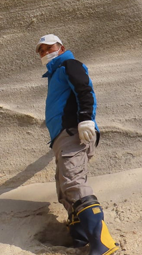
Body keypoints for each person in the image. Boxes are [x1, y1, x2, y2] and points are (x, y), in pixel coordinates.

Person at [36, 34, 120, 255]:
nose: (45, 52)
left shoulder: (68, 64)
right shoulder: (54, 74)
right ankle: (80, 237)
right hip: (63, 139)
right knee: (64, 189)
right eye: (41, 50)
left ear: (61, 47)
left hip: (74, 132)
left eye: (49, 47)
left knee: (73, 182)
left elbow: (84, 89)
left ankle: (103, 243)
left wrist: (86, 118)